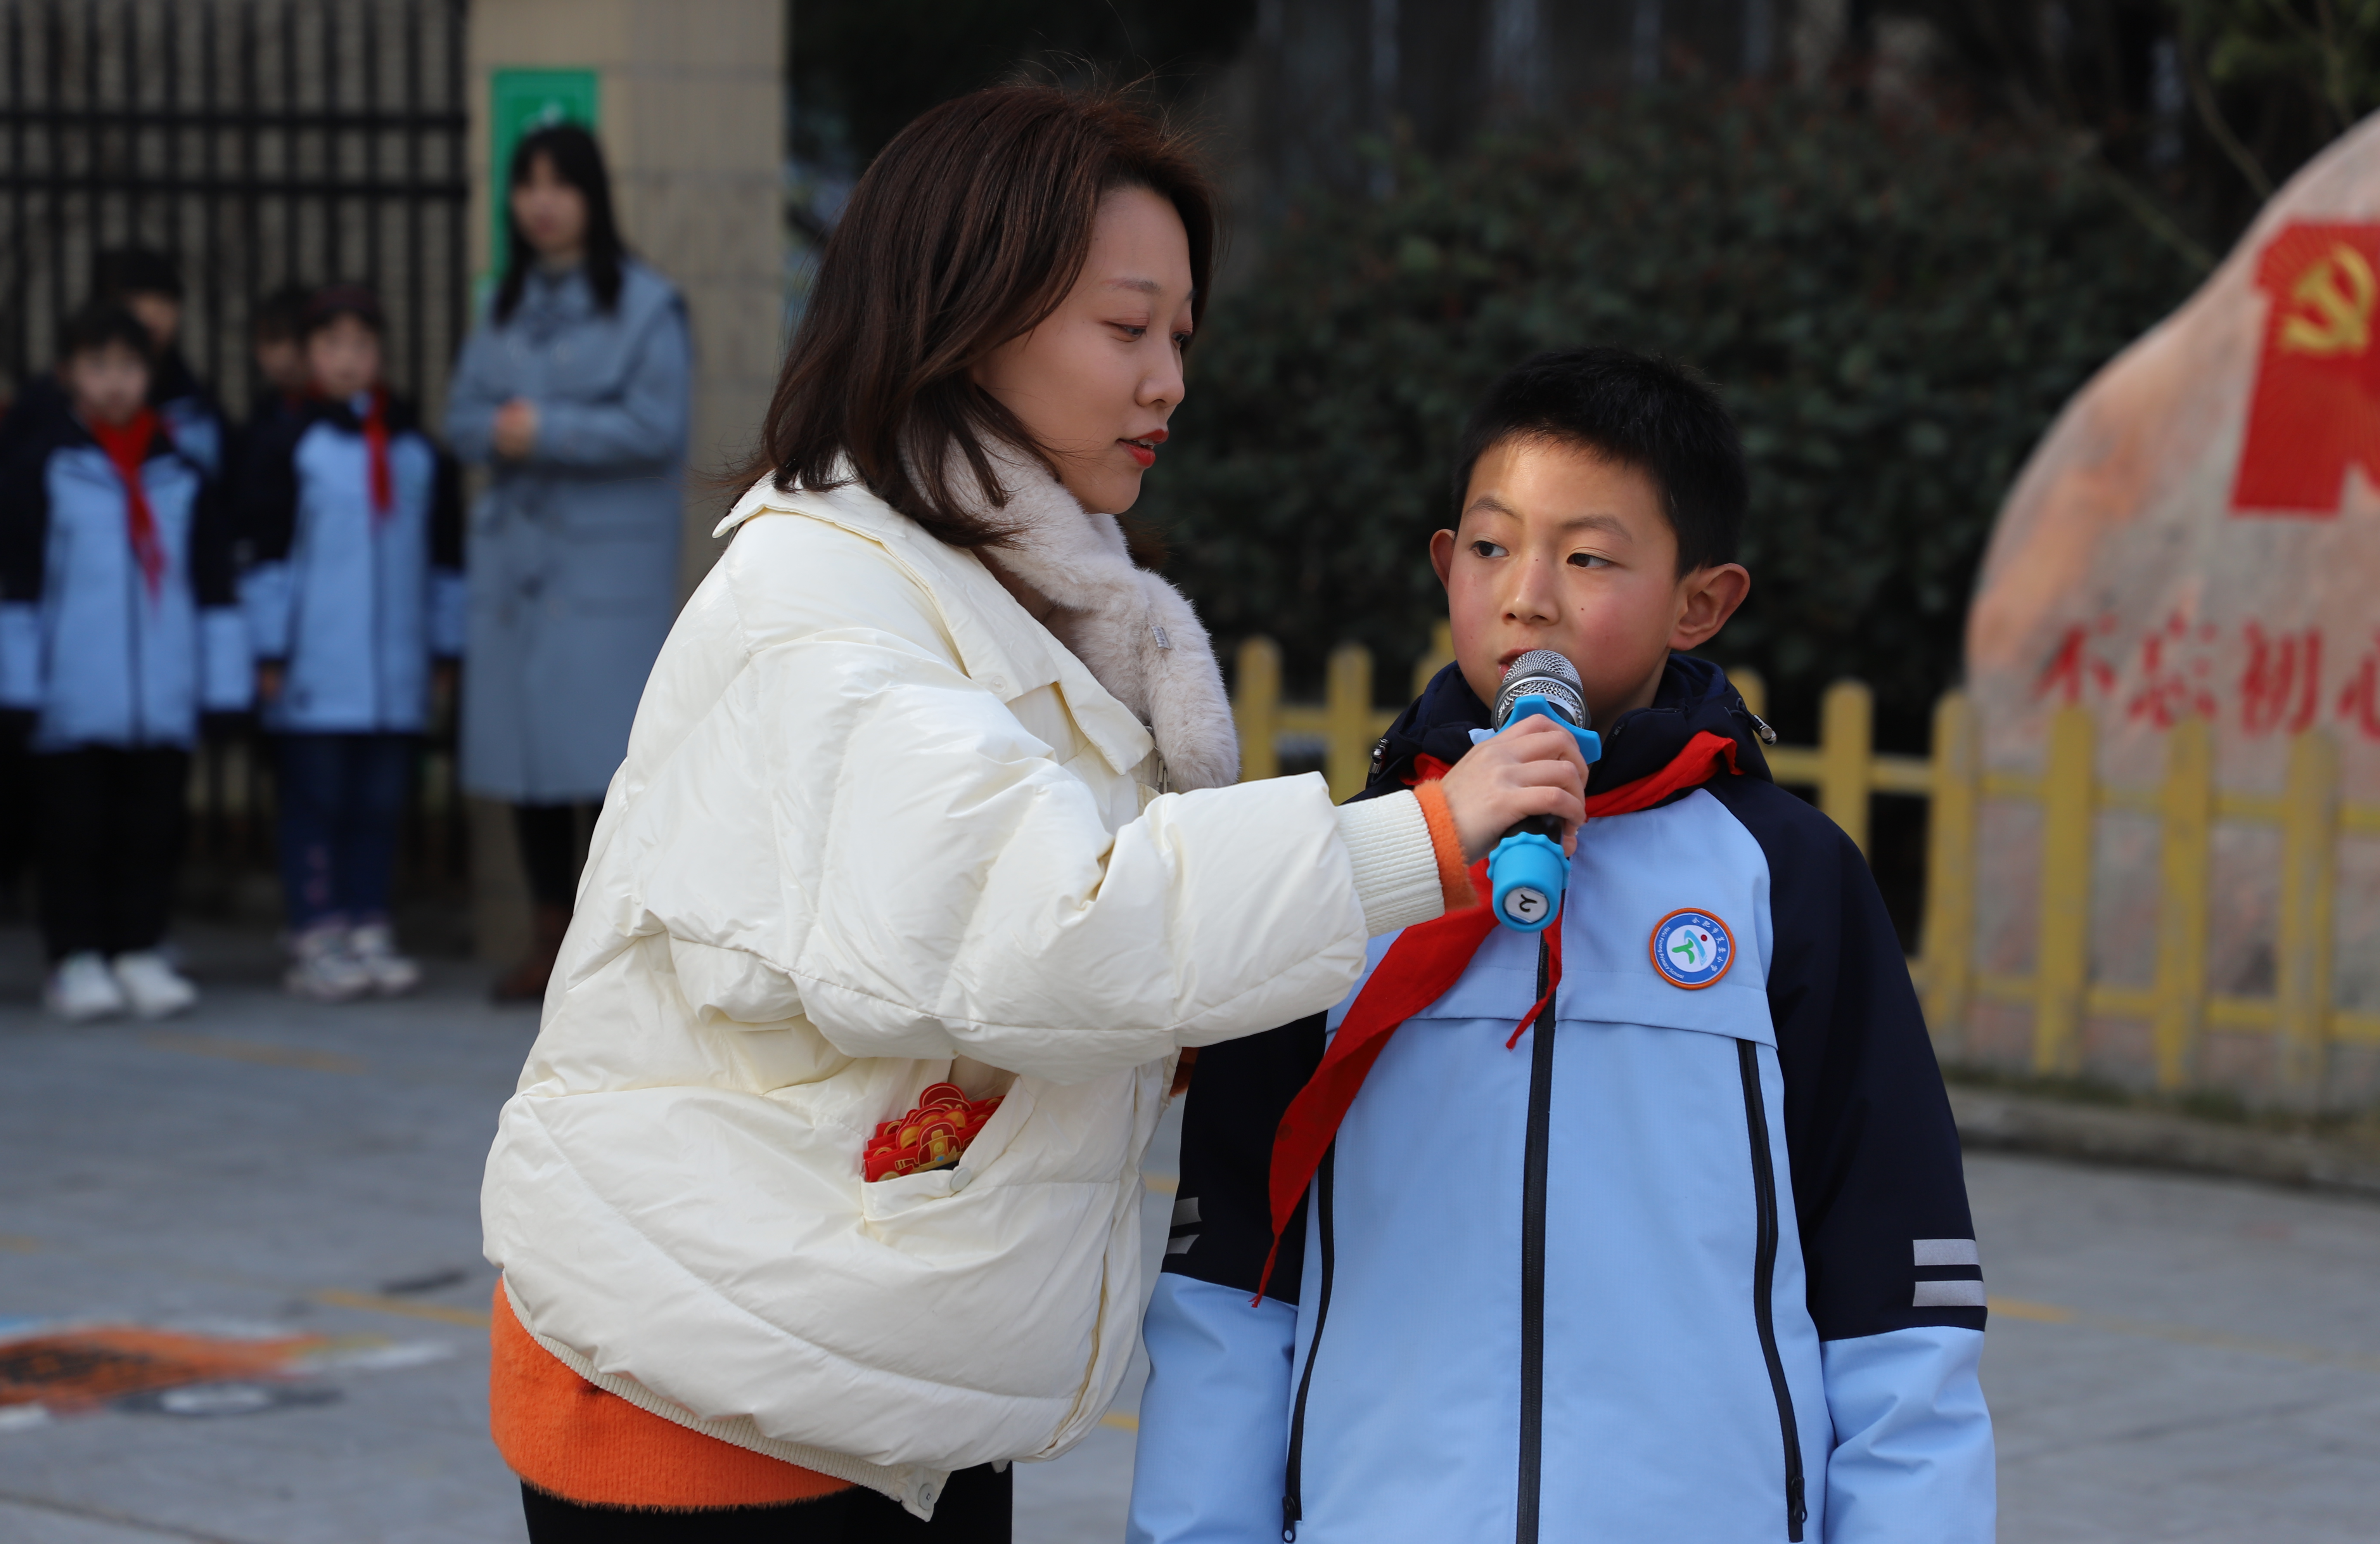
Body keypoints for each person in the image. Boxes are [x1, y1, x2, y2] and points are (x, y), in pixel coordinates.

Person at [476, 84, 1590, 1542]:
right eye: (1126, 329)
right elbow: (1055, 922)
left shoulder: (1012, 590)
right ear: (965, 315)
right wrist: (1423, 841)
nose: (1168, 381)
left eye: (1182, 335)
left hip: (868, 1372)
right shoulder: (829, 607)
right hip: (717, 1395)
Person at [1126, 348, 1996, 1544]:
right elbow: (1231, 1277)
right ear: (1445, 566)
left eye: (1586, 558)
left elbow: (1897, 1293)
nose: (1526, 595)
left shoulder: (1786, 880)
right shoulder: (1341, 870)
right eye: (1490, 547)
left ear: (1701, 600)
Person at [441, 122, 690, 1002]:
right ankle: (549, 938)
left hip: (601, 581)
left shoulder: (647, 306)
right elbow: (463, 416)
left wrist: (546, 429)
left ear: (593, 197)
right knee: (529, 764)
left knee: (606, 767)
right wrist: (503, 429)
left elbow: (659, 427)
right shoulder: (501, 307)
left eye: (561, 184)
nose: (541, 202)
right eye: (527, 184)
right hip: (519, 571)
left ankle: (611, 953)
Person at [0, 301, 249, 1021]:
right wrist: (18, 684)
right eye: (98, 365)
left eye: (129, 366)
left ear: (150, 373)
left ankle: (139, 948)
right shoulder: (44, 467)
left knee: (151, 828)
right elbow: (20, 586)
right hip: (72, 697)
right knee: (73, 833)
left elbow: (212, 589)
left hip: (160, 698)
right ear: (69, 374)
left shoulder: (180, 473)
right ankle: (75, 957)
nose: (114, 382)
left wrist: (223, 686)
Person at [236, 286, 464, 1001]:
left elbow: (445, 560)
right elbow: (268, 556)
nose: (347, 359)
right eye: (331, 345)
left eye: (361, 345)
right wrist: (269, 651)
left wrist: (445, 650)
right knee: (316, 801)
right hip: (315, 669)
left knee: (380, 803)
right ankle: (315, 929)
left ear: (381, 356)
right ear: (308, 357)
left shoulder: (417, 453)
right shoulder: (289, 446)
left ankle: (369, 924)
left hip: (394, 673)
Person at [93, 247, 226, 479]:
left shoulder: (196, 403)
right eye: (134, 302)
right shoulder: (67, 404)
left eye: (163, 301)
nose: (150, 315)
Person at [239, 283, 317, 478]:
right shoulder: (259, 421)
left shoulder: (348, 422)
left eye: (298, 341)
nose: (285, 356)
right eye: (273, 340)